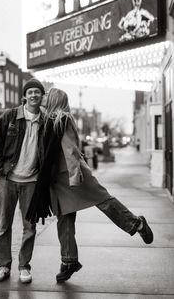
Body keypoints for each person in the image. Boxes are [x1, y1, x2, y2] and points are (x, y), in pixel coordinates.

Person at [26, 88, 153, 283]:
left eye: (46, 95)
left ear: (54, 100)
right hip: (58, 181)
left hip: (73, 174)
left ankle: (137, 223)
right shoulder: (47, 121)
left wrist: (75, 176)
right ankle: (69, 261)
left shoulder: (62, 120)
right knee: (64, 219)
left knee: (104, 201)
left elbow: (71, 150)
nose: (42, 97)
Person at [0, 78, 45, 284]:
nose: (34, 95)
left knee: (30, 227)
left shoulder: (46, 121)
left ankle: (24, 267)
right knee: (4, 225)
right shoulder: (10, 117)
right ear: (24, 96)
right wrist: (0, 172)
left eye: (37, 92)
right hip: (8, 180)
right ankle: (3, 266)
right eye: (30, 92)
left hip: (32, 181)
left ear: (42, 96)